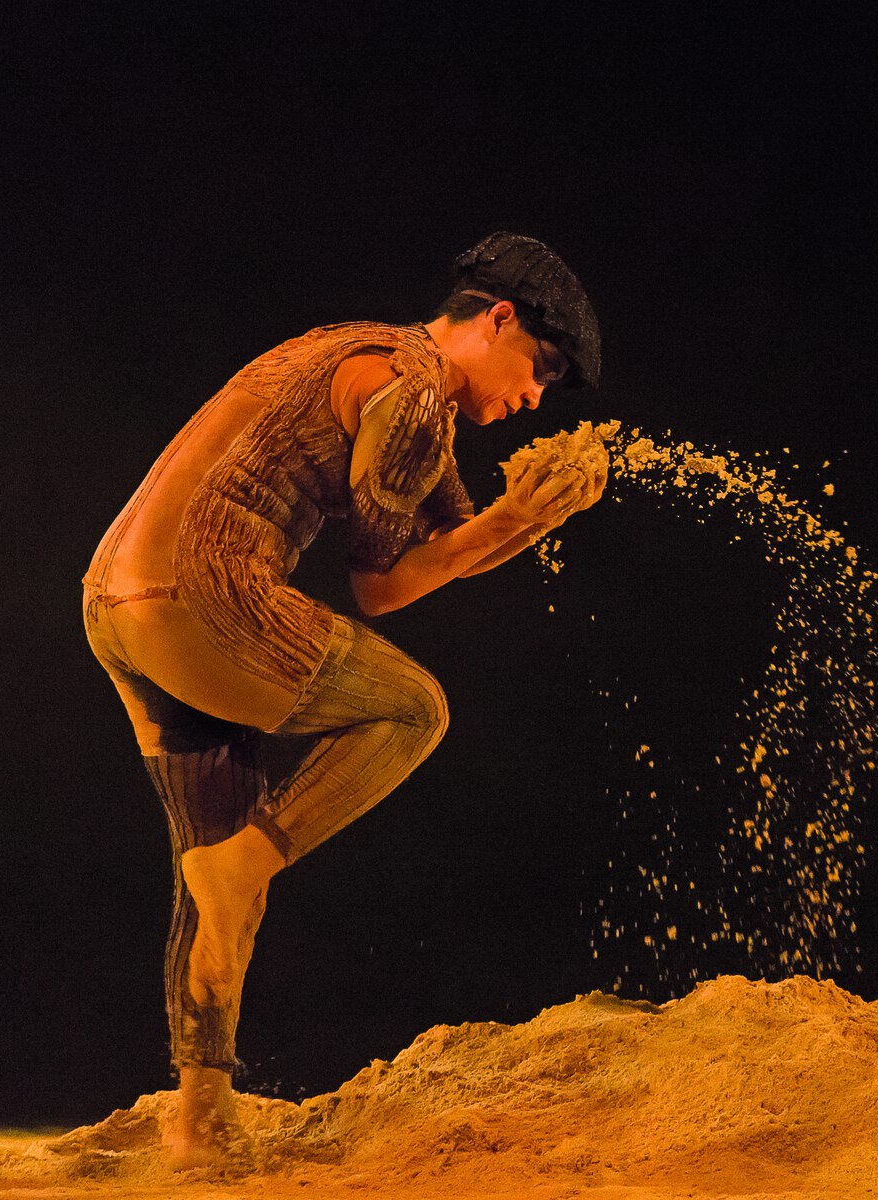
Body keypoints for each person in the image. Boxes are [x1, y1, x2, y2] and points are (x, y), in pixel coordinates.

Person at [80, 233, 604, 1168]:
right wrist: (522, 520)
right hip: (201, 594)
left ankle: (198, 1117)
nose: (534, 398)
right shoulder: (412, 396)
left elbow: (449, 533)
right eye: (542, 367)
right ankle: (250, 862)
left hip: (113, 600)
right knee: (413, 711)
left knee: (210, 871)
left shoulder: (365, 349)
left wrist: (524, 518)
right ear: (497, 318)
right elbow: (386, 587)